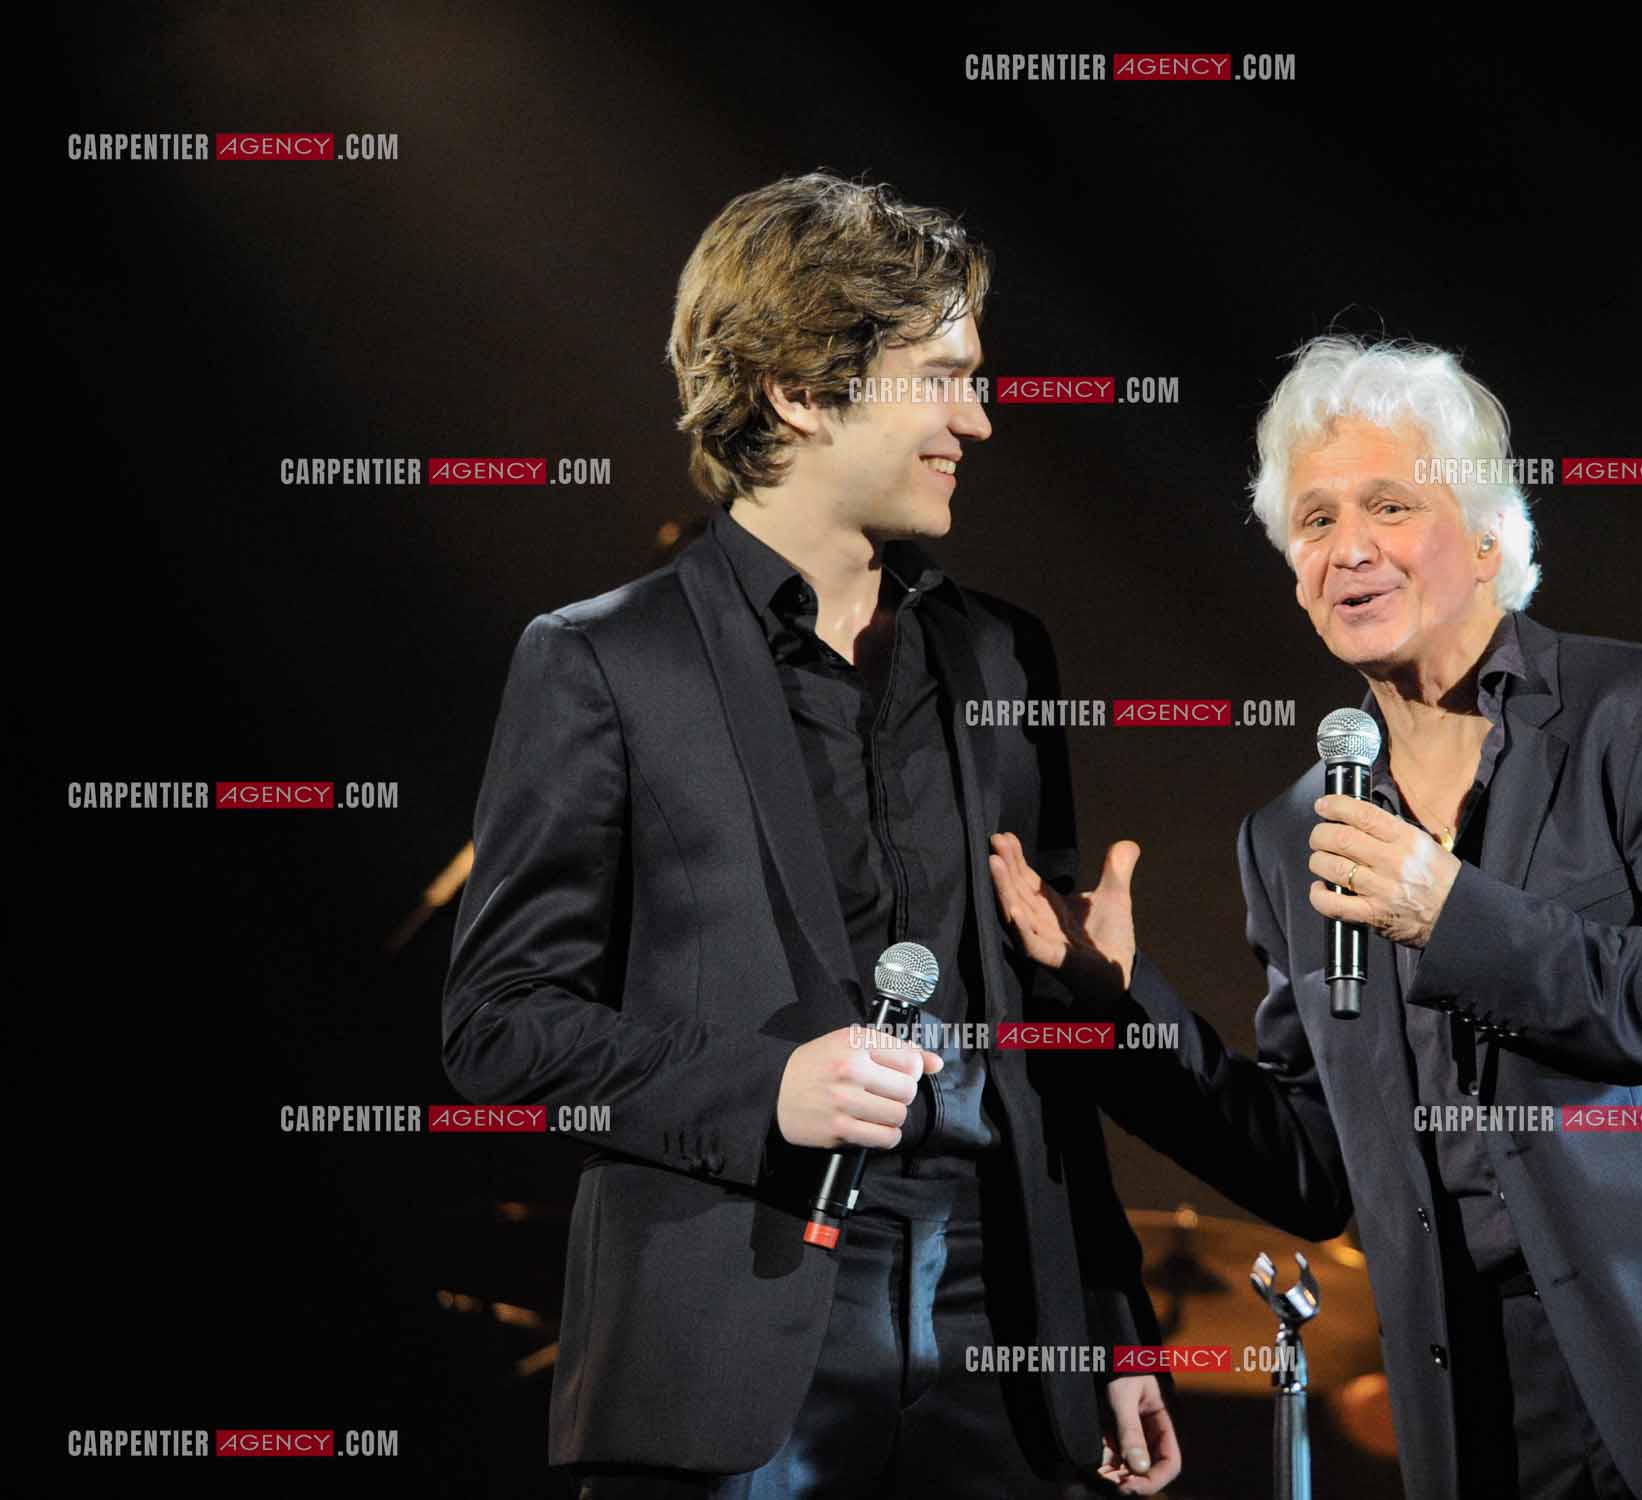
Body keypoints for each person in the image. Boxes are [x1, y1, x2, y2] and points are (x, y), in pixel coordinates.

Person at [988, 334, 1642, 1499]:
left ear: (1488, 539)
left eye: (1388, 503)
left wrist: (1450, 912)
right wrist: (1123, 1010)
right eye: (1314, 521)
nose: (1348, 548)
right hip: (1479, 1409)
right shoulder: (1292, 833)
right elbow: (1319, 1167)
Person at [442, 172, 1180, 1498]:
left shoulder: (1003, 654)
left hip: (997, 1325)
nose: (981, 416)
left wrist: (1110, 1310)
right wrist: (765, 1092)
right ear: (800, 389)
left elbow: (1043, 1039)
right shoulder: (603, 662)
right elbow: (498, 1026)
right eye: (944, 375)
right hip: (726, 1340)